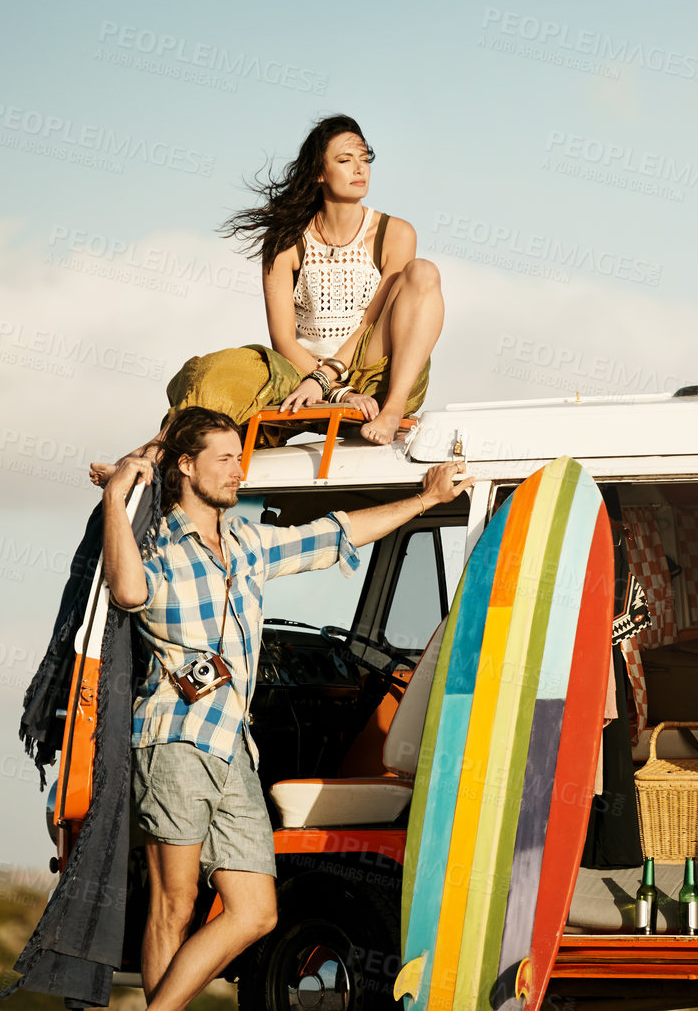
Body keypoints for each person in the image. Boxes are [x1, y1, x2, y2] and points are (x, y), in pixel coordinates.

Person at [100, 405, 471, 1011]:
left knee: (257, 912)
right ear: (187, 467)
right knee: (175, 903)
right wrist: (118, 498)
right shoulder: (159, 542)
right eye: (224, 459)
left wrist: (426, 501)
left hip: (233, 749)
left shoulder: (247, 543)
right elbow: (129, 591)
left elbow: (337, 533)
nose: (237, 471)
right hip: (175, 739)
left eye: (239, 459)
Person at [90, 115, 444, 494]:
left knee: (422, 273)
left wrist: (331, 382)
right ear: (319, 173)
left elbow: (370, 323)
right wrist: (322, 385)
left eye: (365, 158)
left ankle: (391, 411)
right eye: (345, 160)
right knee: (225, 367)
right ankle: (148, 456)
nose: (360, 168)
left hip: (374, 368)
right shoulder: (286, 240)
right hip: (298, 371)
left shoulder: (395, 233)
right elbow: (283, 339)